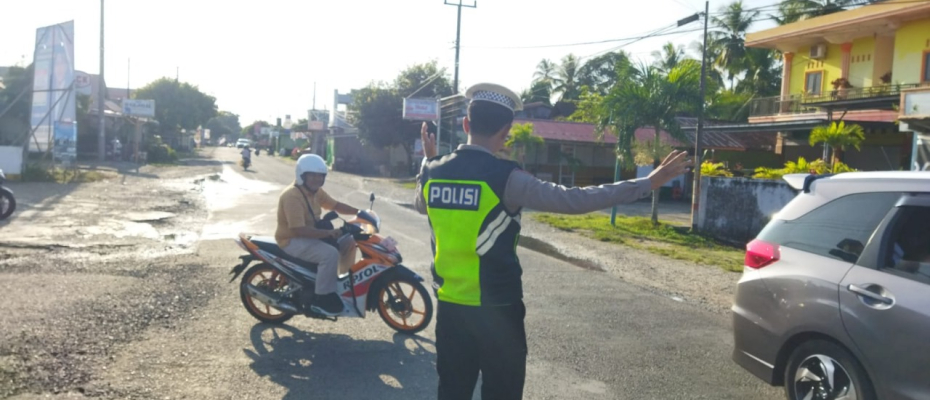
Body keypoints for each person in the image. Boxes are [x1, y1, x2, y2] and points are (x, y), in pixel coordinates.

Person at [414, 83, 691, 400]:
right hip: (499, 312)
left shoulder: (433, 174)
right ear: (507, 130)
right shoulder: (508, 178)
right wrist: (648, 182)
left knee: (451, 392)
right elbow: (575, 200)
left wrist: (429, 161)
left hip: (450, 311)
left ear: (466, 124)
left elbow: (423, 205)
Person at [275, 154, 359, 316]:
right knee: (329, 254)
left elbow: (335, 205)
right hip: (292, 240)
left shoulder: (315, 192)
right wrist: (327, 233)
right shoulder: (292, 195)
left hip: (309, 235)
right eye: (312, 175)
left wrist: (360, 213)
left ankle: (342, 284)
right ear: (302, 175)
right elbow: (298, 229)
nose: (317, 179)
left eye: (320, 176)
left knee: (349, 241)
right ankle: (322, 297)